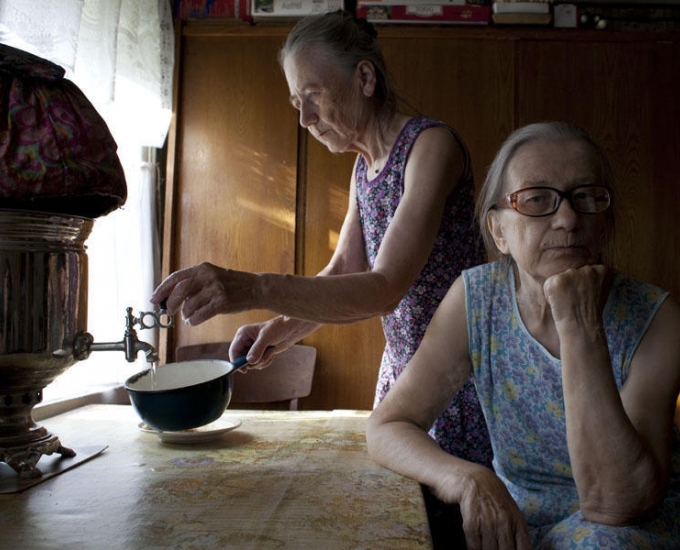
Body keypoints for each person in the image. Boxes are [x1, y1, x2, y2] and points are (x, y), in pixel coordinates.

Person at [150, 9, 492, 538]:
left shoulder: (430, 147)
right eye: (295, 103)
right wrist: (279, 329)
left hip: (459, 380)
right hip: (403, 377)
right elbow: (344, 270)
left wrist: (249, 287)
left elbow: (384, 288)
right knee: (404, 529)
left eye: (313, 95)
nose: (305, 119)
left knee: (454, 528)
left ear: (364, 78)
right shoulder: (363, 168)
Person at [366, 121, 680, 549]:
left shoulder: (657, 319)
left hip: (641, 531)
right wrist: (467, 477)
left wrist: (578, 325)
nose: (567, 219)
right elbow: (389, 425)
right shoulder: (477, 299)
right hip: (527, 529)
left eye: (586, 198)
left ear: (605, 223)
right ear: (498, 231)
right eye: (537, 199)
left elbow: (617, 505)